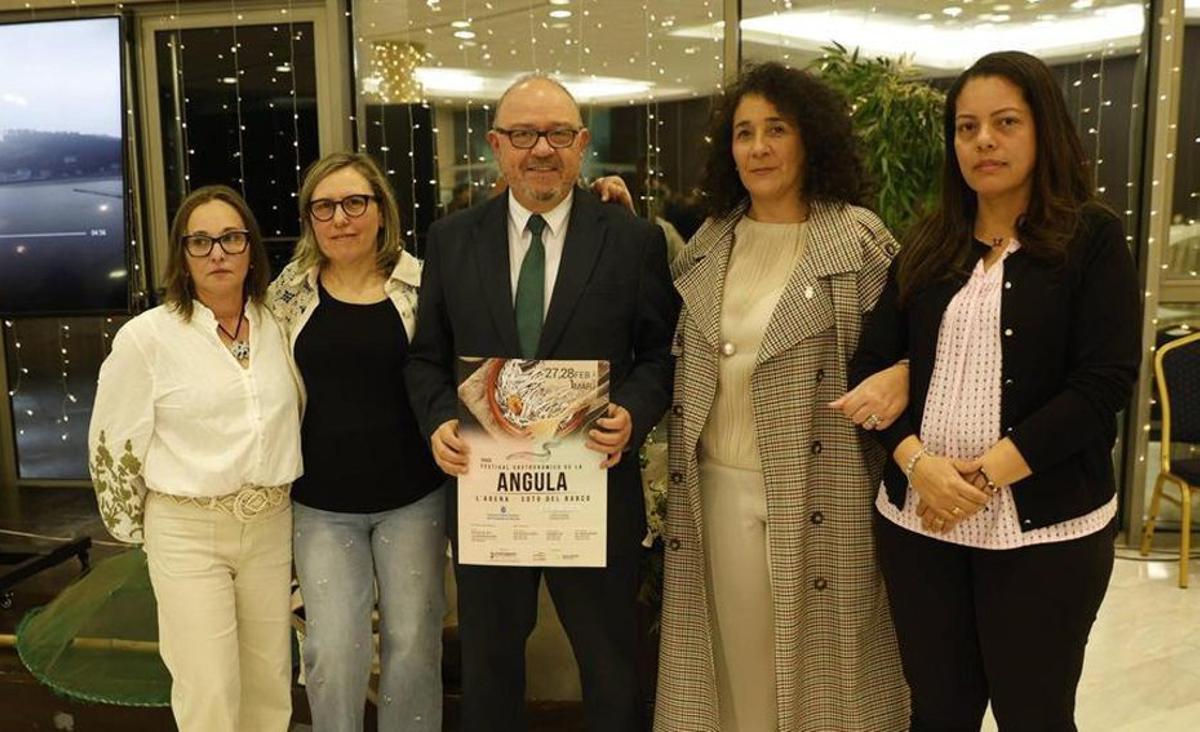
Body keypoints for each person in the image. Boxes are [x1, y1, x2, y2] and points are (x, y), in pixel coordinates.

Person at [843, 50, 1140, 731]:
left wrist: (975, 481)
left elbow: (1101, 384)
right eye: (967, 126)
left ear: (1044, 130)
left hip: (1047, 532)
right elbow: (871, 362)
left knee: (1032, 713)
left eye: (1005, 122)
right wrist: (920, 466)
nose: (983, 141)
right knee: (938, 712)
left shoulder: (1090, 238)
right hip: (921, 524)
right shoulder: (930, 241)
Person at [405, 73, 679, 732]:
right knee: (490, 667)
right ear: (497, 145)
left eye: (558, 133)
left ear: (581, 143)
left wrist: (633, 415)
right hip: (490, 498)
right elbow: (425, 359)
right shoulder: (450, 240)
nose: (541, 149)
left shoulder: (632, 240)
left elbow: (659, 358)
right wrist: (441, 418)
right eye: (524, 134)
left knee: (612, 666)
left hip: (592, 490)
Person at [655, 61, 910, 732]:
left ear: (810, 140)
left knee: (822, 678)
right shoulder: (710, 243)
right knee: (734, 673)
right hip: (717, 488)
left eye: (777, 129)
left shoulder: (858, 242)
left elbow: (905, 357)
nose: (758, 148)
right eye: (744, 133)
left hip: (822, 492)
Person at [88, 185, 302, 732]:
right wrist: (144, 530)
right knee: (208, 688)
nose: (217, 254)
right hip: (188, 527)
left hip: (271, 523)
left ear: (250, 247)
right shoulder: (147, 339)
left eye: (231, 239)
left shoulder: (279, 324)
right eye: (201, 241)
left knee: (268, 681)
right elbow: (112, 446)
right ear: (182, 256)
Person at [267, 152, 447, 732]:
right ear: (310, 218)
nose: (340, 218)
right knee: (332, 652)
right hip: (321, 504)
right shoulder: (287, 295)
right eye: (324, 207)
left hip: (413, 499)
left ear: (379, 211)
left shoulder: (421, 286)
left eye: (353, 203)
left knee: (414, 646)